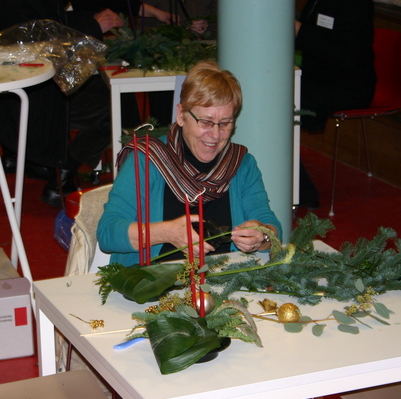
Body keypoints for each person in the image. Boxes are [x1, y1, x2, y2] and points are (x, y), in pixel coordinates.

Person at [0, 0, 175, 207]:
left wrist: (151, 12)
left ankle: (133, 169)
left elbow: (54, 23)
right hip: (28, 94)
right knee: (113, 108)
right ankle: (63, 178)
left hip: (43, 84)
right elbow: (30, 40)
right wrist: (92, 26)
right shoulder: (15, 6)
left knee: (117, 93)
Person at [98, 61, 282, 271]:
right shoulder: (147, 160)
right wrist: (166, 232)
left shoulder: (242, 165)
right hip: (153, 286)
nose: (215, 134)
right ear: (181, 115)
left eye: (225, 123)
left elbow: (272, 228)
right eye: (206, 122)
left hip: (227, 281)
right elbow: (107, 233)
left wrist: (262, 235)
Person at [294, 0, 376, 208]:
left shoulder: (355, 5)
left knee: (280, 104)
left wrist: (300, 31)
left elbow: (346, 57)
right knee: (275, 93)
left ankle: (302, 191)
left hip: (348, 87)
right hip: (317, 79)